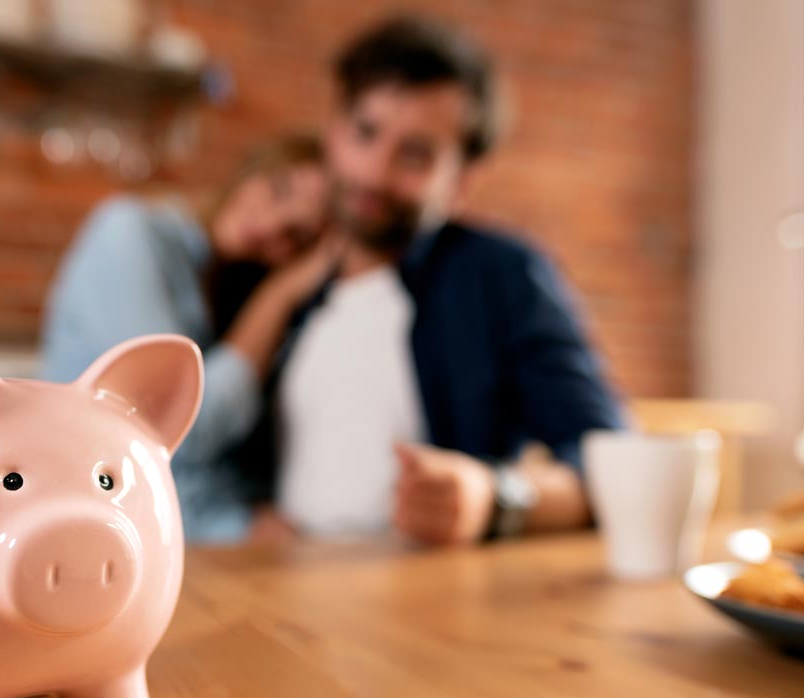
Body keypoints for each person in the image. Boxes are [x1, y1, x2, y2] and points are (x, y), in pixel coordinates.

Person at [245, 16, 627, 546]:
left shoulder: (501, 276)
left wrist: (492, 496)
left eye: (416, 155)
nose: (375, 171)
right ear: (333, 131)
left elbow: (610, 461)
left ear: (461, 183)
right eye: (365, 132)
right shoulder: (284, 277)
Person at [39, 135, 336, 542]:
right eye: (278, 189)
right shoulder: (129, 232)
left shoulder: (223, 282)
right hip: (109, 524)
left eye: (296, 236)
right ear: (254, 171)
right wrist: (279, 296)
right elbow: (172, 436)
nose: (268, 226)